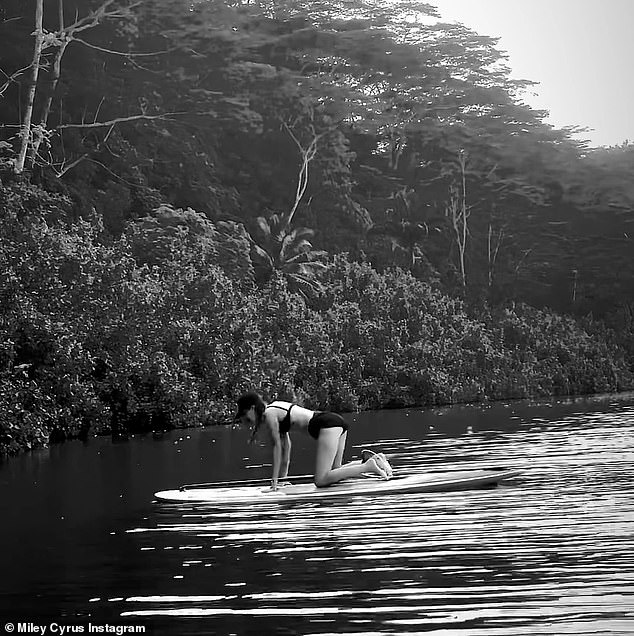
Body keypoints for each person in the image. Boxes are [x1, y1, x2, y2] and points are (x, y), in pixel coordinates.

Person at [235, 392, 392, 490]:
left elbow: (278, 450)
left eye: (245, 417)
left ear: (251, 408)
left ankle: (368, 466)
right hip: (333, 422)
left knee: (321, 480)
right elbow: (286, 449)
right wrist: (282, 481)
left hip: (326, 425)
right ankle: (373, 460)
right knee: (336, 471)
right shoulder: (273, 410)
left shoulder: (270, 415)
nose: (246, 422)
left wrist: (275, 483)